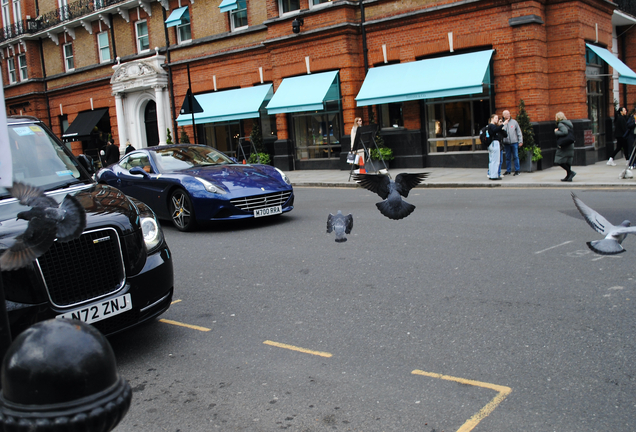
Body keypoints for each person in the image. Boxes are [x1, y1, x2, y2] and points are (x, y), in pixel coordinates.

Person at [554, 111, 576, 182]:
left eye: (556, 117)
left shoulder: (560, 124)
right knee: (568, 161)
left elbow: (565, 132)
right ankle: (568, 177)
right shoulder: (568, 123)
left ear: (558, 118)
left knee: (558, 161)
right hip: (570, 144)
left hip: (565, 145)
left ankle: (570, 172)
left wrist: (556, 131)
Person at [501, 109, 523, 176]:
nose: (508, 115)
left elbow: (519, 132)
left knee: (515, 156)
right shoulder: (502, 123)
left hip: (514, 142)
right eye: (507, 114)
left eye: (509, 113)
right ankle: (508, 170)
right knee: (508, 157)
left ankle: (517, 170)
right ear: (503, 115)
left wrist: (520, 141)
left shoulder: (514, 122)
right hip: (506, 143)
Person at [487, 114, 506, 180]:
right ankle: (494, 176)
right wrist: (503, 125)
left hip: (491, 144)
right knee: (496, 160)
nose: (497, 119)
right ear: (492, 118)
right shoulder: (492, 126)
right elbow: (495, 130)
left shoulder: (490, 126)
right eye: (496, 118)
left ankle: (491, 175)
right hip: (494, 143)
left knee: (492, 160)